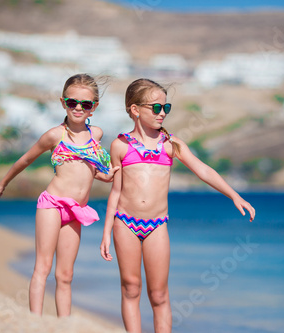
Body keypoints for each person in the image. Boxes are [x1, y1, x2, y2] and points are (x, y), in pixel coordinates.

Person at [100, 78, 255, 332]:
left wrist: (234, 195)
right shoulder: (120, 145)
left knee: (159, 295)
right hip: (124, 222)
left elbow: (203, 171)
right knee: (130, 288)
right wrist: (106, 232)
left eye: (166, 108)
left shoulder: (172, 144)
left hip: (157, 225)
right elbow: (115, 191)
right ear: (135, 110)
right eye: (156, 108)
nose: (162, 113)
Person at [0, 73, 117, 317]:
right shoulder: (54, 135)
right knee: (43, 267)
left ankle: (64, 326)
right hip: (51, 205)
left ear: (94, 108)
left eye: (86, 104)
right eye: (72, 102)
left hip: (76, 211)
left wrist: (108, 175)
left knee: (66, 274)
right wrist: (3, 182)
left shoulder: (97, 135)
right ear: (63, 103)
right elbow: (25, 159)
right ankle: (35, 322)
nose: (78, 108)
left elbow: (90, 171)